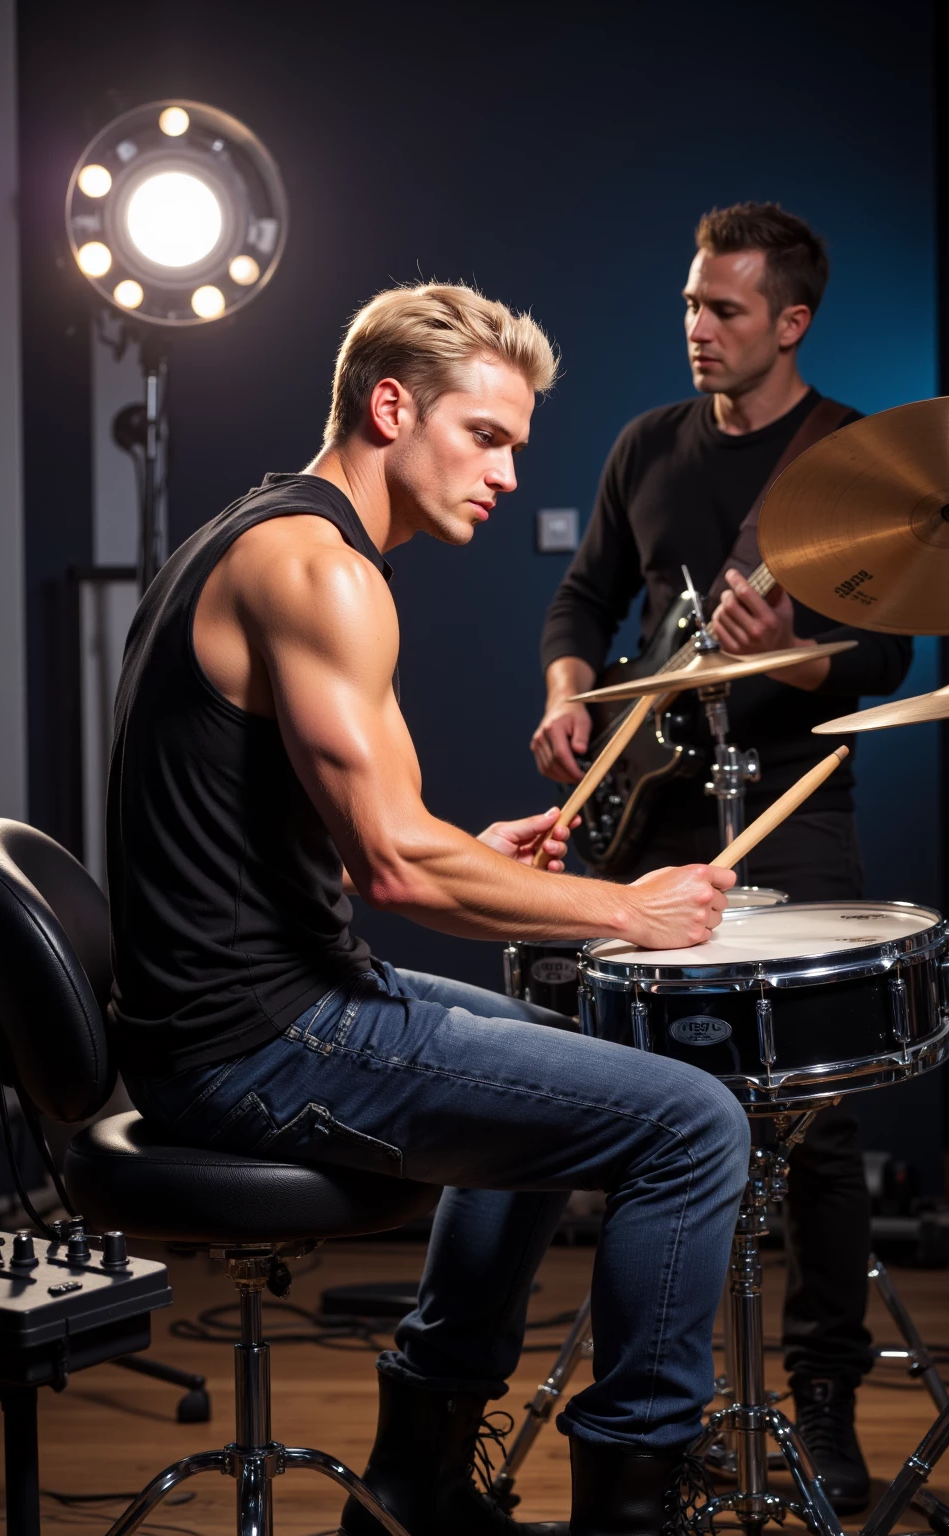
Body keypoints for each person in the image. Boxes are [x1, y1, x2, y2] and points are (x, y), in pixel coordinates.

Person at [106, 283, 752, 1536]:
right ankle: (631, 1505)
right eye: (487, 436)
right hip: (253, 1039)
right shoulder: (322, 573)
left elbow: (375, 839)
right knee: (695, 1125)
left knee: (558, 1078)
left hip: (246, 1009)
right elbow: (397, 874)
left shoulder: (269, 536)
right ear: (390, 406)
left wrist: (484, 848)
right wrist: (618, 907)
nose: (509, 472)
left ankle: (412, 1483)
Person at [531, 204, 914, 1513]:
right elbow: (586, 596)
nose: (697, 329)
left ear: (791, 323)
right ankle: (659, 1402)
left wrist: (788, 651)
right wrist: (572, 691)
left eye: (727, 311)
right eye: (692, 305)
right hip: (656, 824)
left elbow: (887, 662)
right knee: (652, 1115)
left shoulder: (854, 455)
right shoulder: (647, 446)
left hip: (797, 818)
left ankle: (824, 1400)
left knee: (814, 1135)